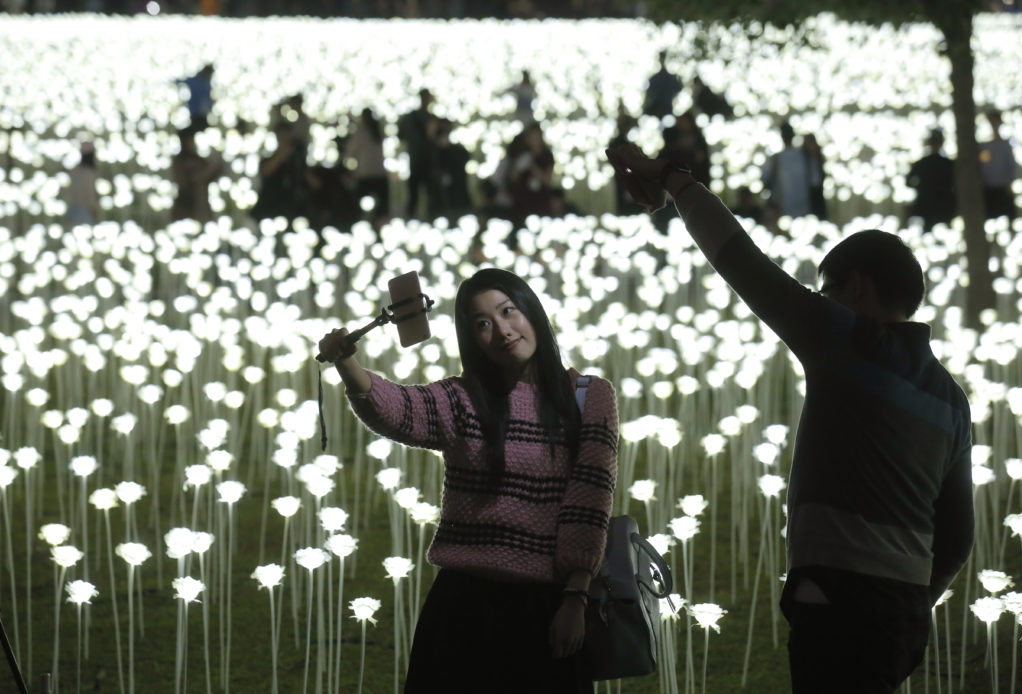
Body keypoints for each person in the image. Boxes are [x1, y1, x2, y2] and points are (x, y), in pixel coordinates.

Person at [606, 143, 974, 694]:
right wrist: (915, 596)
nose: (820, 301)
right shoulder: (951, 398)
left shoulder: (846, 340)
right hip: (903, 612)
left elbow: (739, 259)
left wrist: (675, 180)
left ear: (857, 286)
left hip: (838, 597)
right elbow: (959, 534)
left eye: (828, 291)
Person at [317, 268, 618, 694]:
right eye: (482, 324)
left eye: (508, 312)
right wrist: (348, 363)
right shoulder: (465, 399)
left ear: (532, 311)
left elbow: (589, 500)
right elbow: (400, 410)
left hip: (547, 604)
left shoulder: (587, 398)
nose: (502, 331)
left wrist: (575, 597)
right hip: (464, 605)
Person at [761, 121, 822, 220]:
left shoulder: (776, 159)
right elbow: (815, 182)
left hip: (792, 211)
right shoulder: (804, 157)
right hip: (797, 211)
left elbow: (765, 181)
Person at [397, 88, 440, 219]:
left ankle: (418, 217)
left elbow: (401, 135)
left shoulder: (415, 117)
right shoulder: (420, 118)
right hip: (421, 159)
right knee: (421, 193)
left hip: (420, 159)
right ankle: (419, 217)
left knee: (422, 193)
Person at [344, 107, 390, 224]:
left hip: (365, 174)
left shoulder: (361, 132)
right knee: (381, 208)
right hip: (380, 173)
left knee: (360, 206)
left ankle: (362, 225)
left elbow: (350, 152)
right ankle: (379, 226)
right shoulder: (380, 131)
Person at [906, 128, 956, 231]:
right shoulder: (948, 164)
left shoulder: (922, 163)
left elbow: (909, 182)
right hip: (941, 203)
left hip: (932, 203)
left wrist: (921, 187)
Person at [170, 127, 223, 224]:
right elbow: (189, 180)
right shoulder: (180, 161)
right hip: (187, 205)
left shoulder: (199, 159)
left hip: (201, 204)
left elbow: (212, 176)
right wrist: (210, 169)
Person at [978, 109, 1018, 220]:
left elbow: (1011, 166)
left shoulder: (1006, 145)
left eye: (996, 122)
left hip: (1003, 189)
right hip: (989, 189)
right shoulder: (984, 146)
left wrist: (1009, 183)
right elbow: (982, 165)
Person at [63, 141, 100, 228]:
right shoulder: (89, 173)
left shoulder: (74, 171)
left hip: (73, 208)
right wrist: (94, 209)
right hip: (84, 210)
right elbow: (89, 193)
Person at [643, 50, 683, 119]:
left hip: (665, 110)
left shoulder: (667, 78)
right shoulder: (656, 78)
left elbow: (678, 88)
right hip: (658, 109)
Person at [176, 63, 215, 130]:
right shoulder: (194, 80)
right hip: (194, 113)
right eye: (210, 74)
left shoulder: (207, 83)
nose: (210, 76)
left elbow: (208, 100)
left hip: (203, 114)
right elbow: (179, 82)